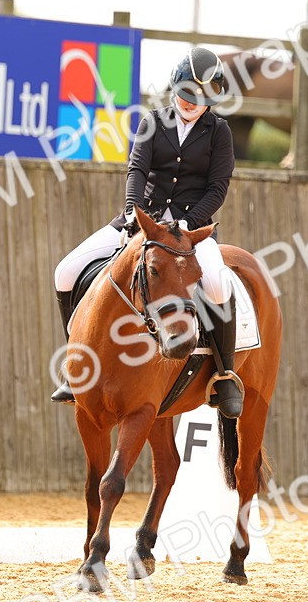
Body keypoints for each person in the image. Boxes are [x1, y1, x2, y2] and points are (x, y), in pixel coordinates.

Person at [50, 48, 241, 417]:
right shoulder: (152, 121)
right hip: (143, 223)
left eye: (198, 100)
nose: (189, 104)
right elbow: (136, 170)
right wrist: (133, 213)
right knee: (66, 272)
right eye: (185, 96)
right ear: (174, 91)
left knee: (218, 284)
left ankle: (225, 374)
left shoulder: (219, 132)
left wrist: (188, 226)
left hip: (191, 229)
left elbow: (218, 188)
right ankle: (76, 368)